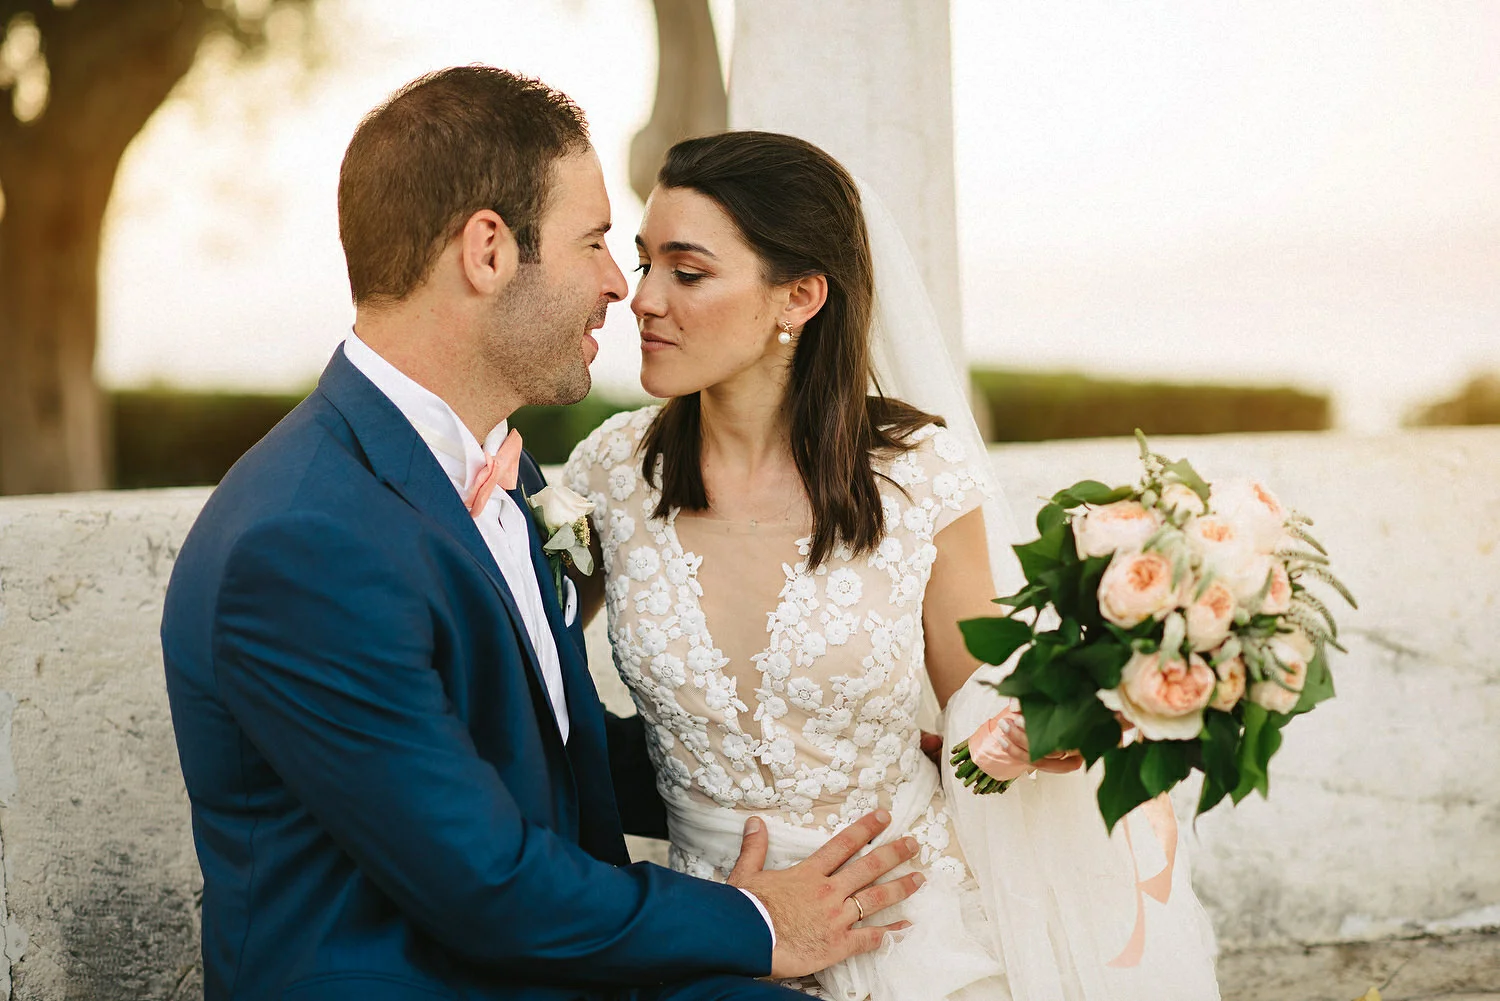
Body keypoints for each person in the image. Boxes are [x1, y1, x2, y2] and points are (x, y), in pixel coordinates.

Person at [159, 68, 927, 1001]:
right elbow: (484, 884)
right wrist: (761, 923)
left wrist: (835, 751)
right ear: (488, 250)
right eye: (599, 242)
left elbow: (542, 744)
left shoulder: (500, 471)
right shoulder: (305, 542)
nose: (622, 287)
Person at [562, 132, 1222, 1000]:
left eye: (686, 273)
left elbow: (975, 694)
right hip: (716, 926)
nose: (642, 299)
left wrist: (1038, 733)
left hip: (915, 910)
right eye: (644, 263)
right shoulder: (608, 477)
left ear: (798, 296)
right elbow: (528, 670)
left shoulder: (919, 473)